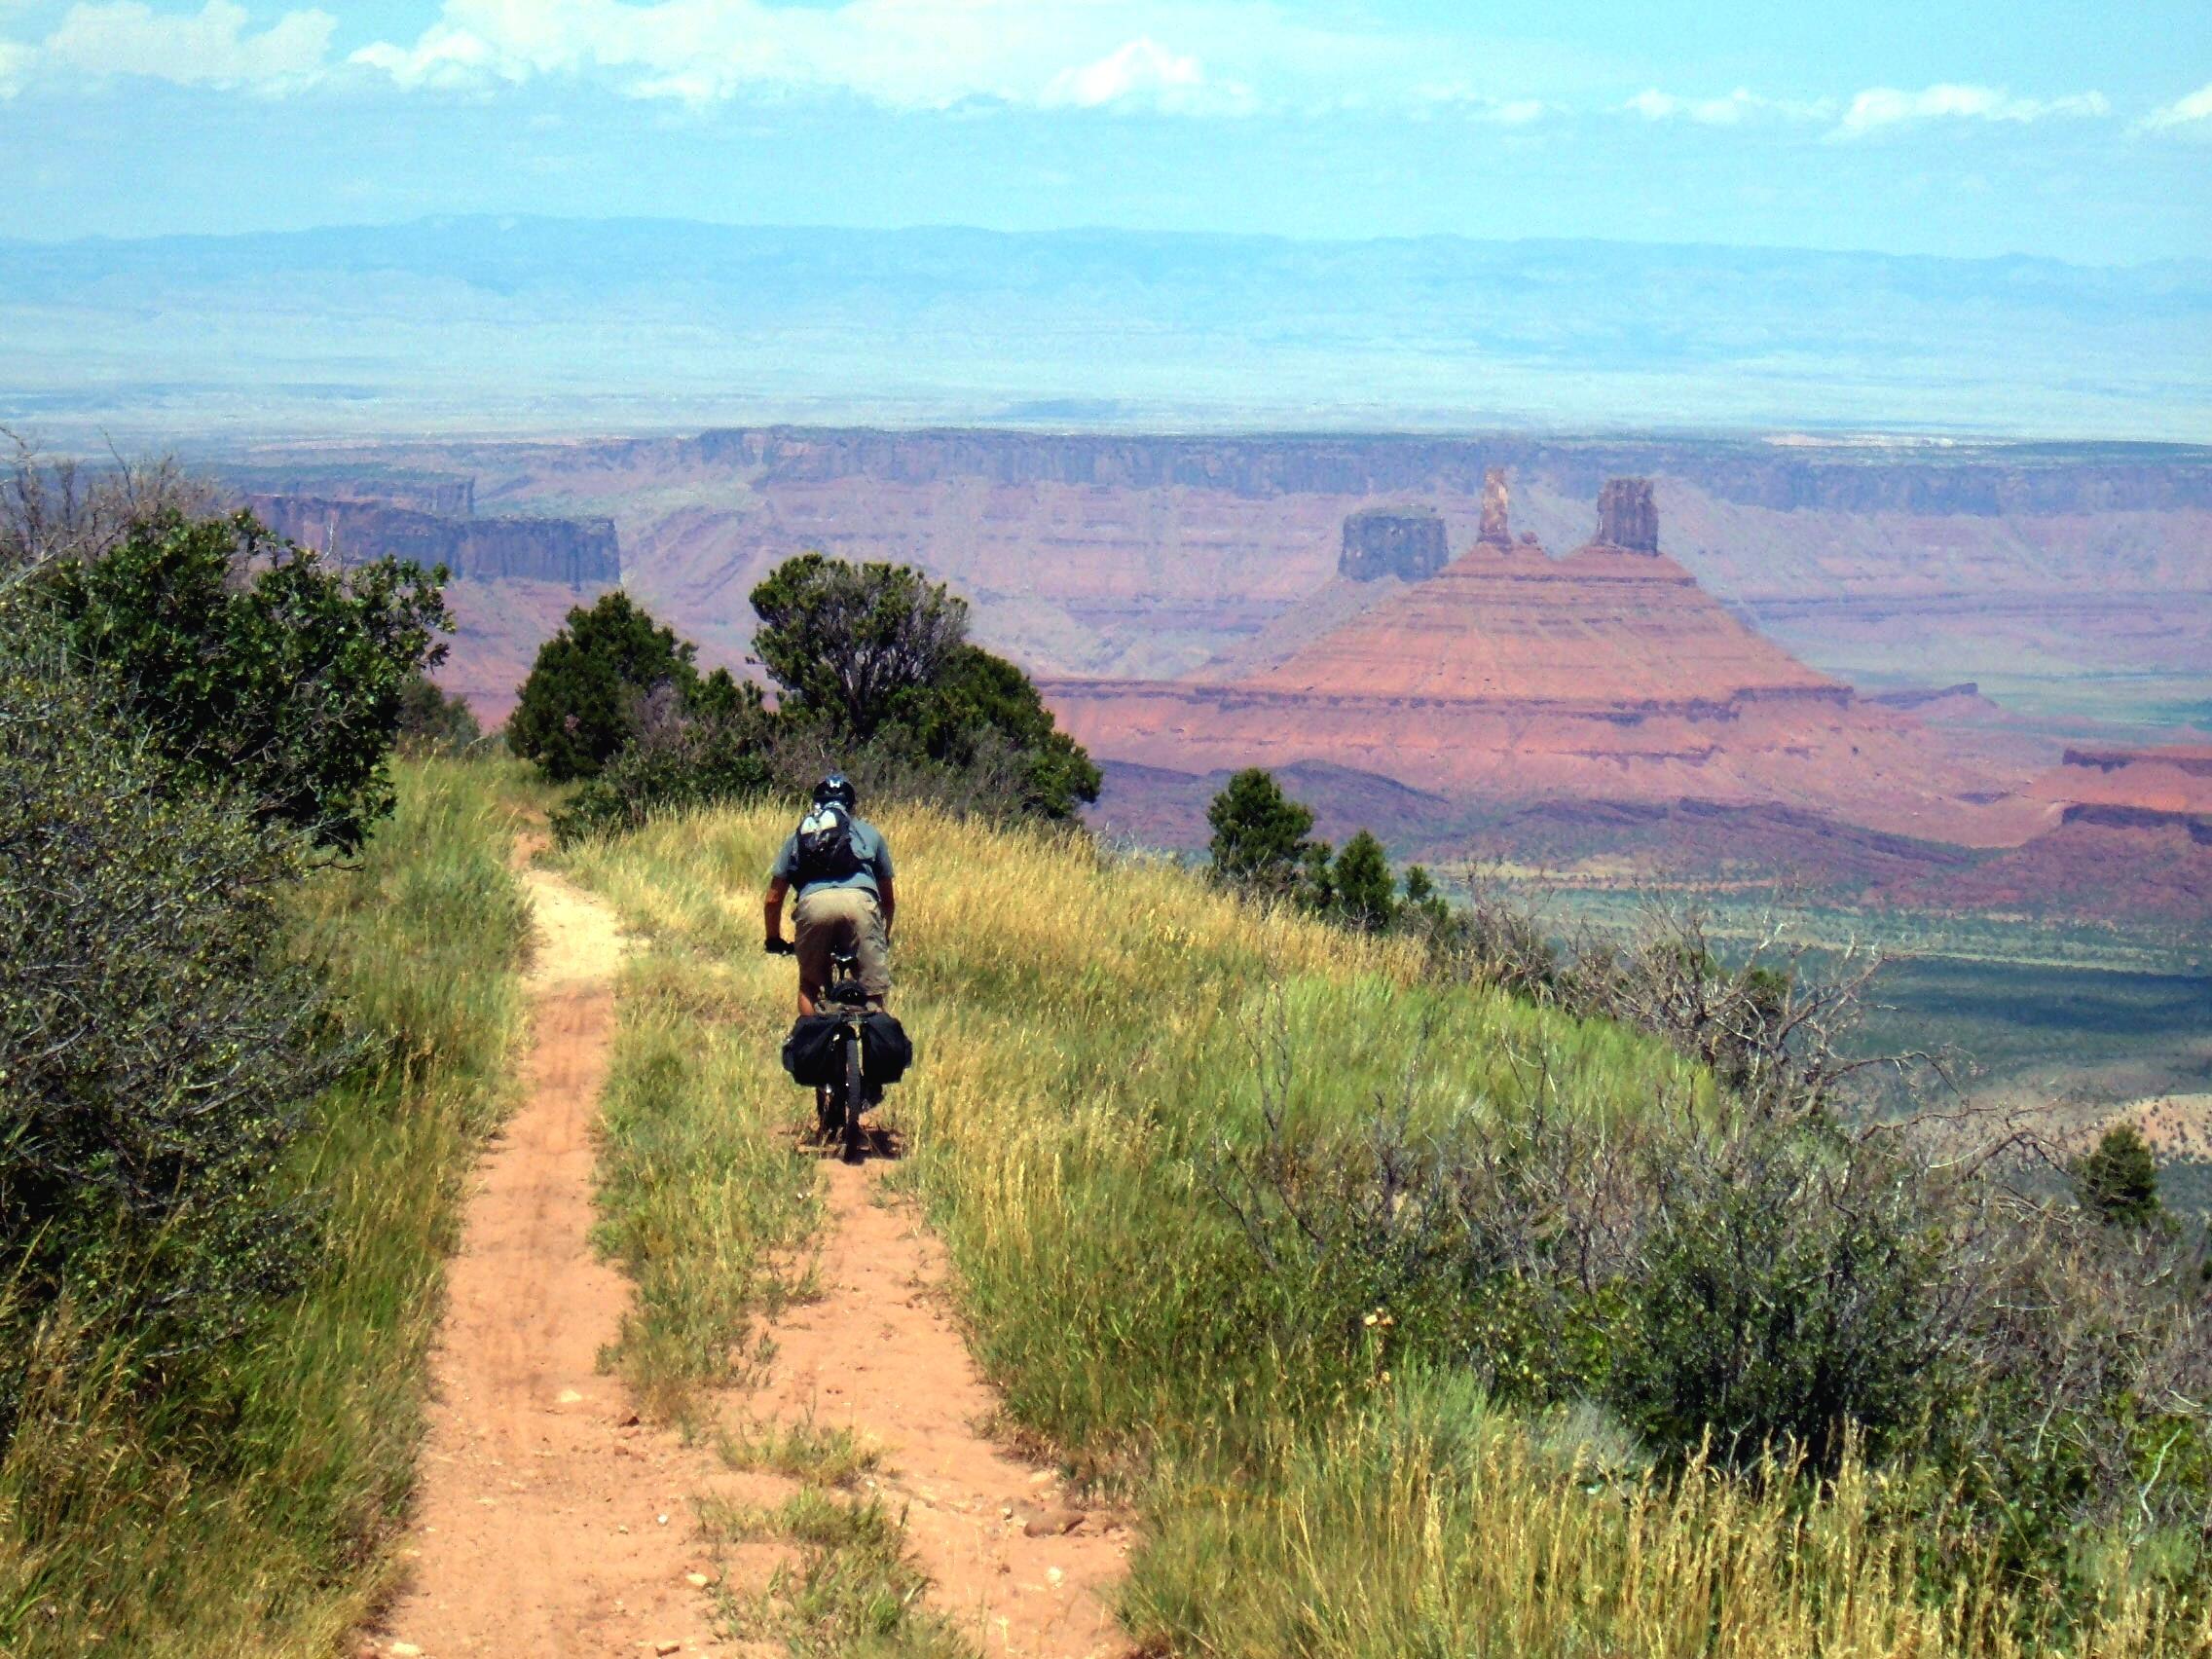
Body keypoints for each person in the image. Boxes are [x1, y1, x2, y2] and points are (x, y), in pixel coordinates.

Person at [763, 774, 895, 1015]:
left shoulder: (797, 838)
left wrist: (774, 939)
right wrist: (882, 936)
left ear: (816, 803)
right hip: (861, 905)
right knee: (873, 992)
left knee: (810, 985)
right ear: (851, 805)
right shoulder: (870, 834)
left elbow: (773, 900)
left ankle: (812, 1046)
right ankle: (874, 1046)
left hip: (814, 905)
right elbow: (887, 900)